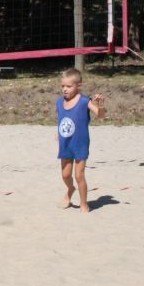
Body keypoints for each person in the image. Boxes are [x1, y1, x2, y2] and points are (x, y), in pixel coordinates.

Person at [56, 67, 106, 213]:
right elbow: (62, 119)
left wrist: (100, 105)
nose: (65, 89)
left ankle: (84, 203)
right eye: (63, 86)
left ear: (79, 86)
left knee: (79, 175)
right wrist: (58, 133)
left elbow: (100, 115)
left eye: (68, 86)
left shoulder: (84, 101)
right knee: (65, 175)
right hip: (65, 143)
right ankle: (70, 189)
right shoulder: (59, 102)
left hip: (80, 144)